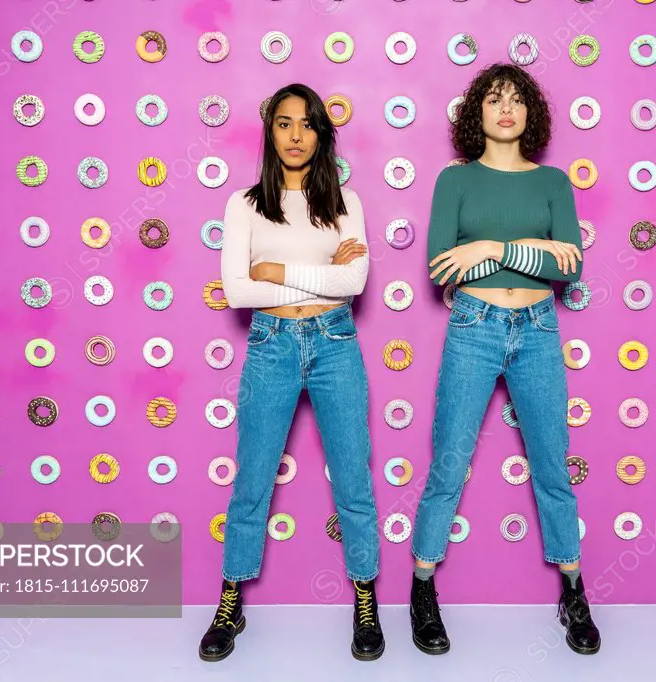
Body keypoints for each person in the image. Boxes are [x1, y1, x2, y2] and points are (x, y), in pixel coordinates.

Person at [409, 63, 601, 656]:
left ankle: (573, 589)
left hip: (540, 328)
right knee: (449, 458)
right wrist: (538, 250)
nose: (506, 108)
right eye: (494, 99)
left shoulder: (553, 182)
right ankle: (421, 587)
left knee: (552, 461)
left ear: (531, 113)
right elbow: (442, 262)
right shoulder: (455, 181)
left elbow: (572, 267)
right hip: (474, 327)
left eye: (516, 99)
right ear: (478, 113)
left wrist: (491, 249)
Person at [199, 83, 384, 662]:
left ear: (322, 133)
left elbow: (352, 284)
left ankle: (365, 596)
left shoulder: (347, 202)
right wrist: (318, 268)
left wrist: (275, 266)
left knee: (353, 478)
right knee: (251, 478)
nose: (296, 135)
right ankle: (231, 599)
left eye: (306, 124)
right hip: (271, 344)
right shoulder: (243, 204)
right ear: (270, 131)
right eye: (284, 123)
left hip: (335, 343)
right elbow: (237, 289)